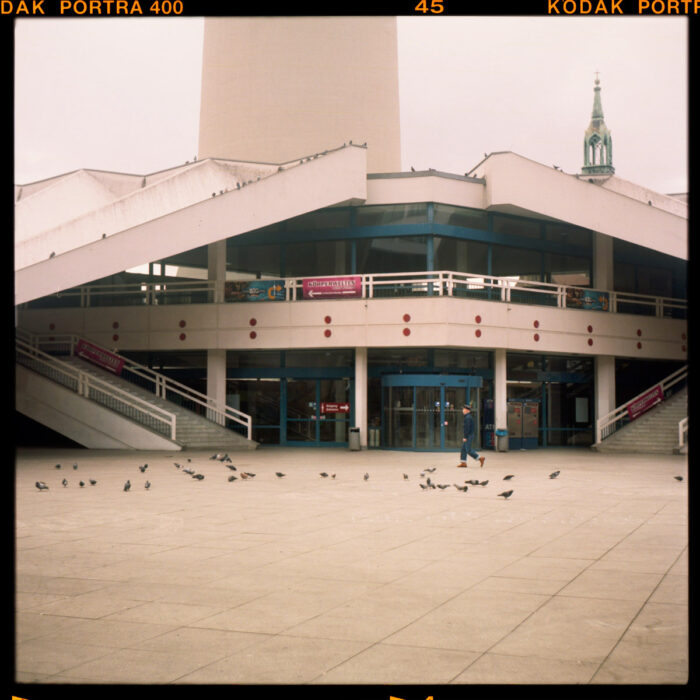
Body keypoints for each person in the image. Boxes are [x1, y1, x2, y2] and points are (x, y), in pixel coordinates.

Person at [457, 404, 485, 468]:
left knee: (468, 450)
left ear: (467, 410)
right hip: (469, 435)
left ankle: (480, 458)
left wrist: (465, 437)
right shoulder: (467, 417)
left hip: (469, 436)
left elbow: (467, 428)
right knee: (463, 449)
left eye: (463, 409)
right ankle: (463, 463)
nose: (462, 410)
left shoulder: (468, 418)